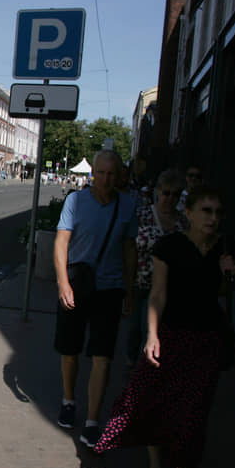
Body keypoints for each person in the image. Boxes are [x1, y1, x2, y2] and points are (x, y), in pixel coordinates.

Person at [94, 187, 235, 468]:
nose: (213, 218)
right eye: (206, 210)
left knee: (194, 415)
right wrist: (153, 335)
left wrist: (230, 275)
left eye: (218, 212)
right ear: (188, 213)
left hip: (206, 341)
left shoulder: (225, 248)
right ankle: (156, 466)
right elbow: (158, 295)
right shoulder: (169, 246)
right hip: (171, 335)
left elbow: (225, 296)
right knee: (152, 402)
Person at [53, 149, 138, 448]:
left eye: (111, 174)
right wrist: (63, 283)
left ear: (119, 176)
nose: (105, 179)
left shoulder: (128, 205)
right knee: (70, 348)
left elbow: (130, 250)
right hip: (77, 284)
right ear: (93, 174)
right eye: (100, 173)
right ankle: (68, 400)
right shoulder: (75, 201)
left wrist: (129, 290)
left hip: (110, 289)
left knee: (103, 355)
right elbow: (61, 241)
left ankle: (92, 420)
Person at [125, 169, 187, 365]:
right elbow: (131, 250)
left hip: (167, 287)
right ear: (158, 191)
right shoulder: (142, 214)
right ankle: (131, 362)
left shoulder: (183, 223)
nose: (170, 198)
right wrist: (128, 288)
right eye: (166, 192)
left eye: (176, 194)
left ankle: (142, 372)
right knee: (134, 329)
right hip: (140, 282)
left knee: (149, 330)